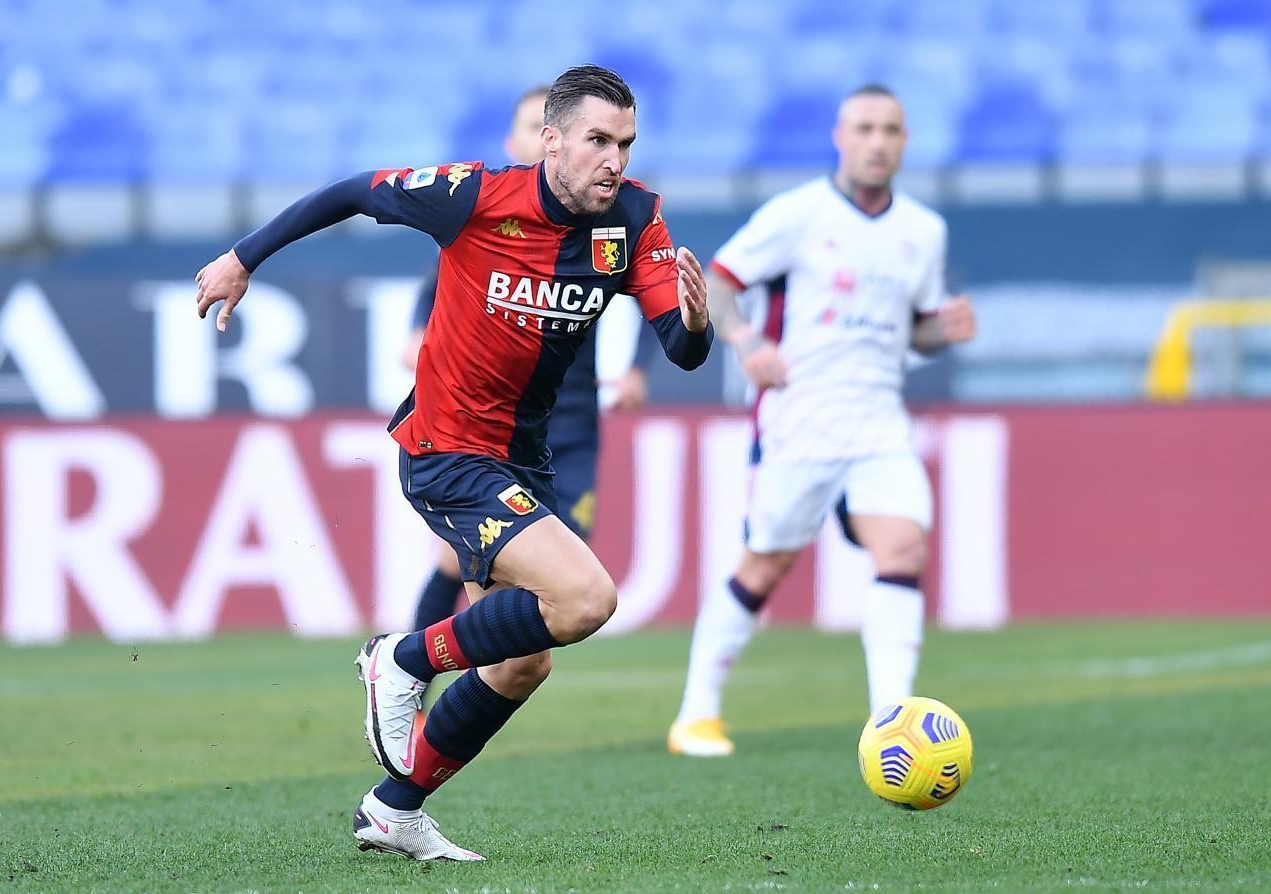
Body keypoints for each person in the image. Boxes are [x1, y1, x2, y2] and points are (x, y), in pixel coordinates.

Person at [195, 65, 712, 860]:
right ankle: (399, 658)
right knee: (587, 599)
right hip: (447, 449)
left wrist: (697, 323)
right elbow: (352, 191)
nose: (615, 160)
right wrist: (244, 257)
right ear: (552, 141)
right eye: (598, 141)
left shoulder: (636, 217)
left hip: (522, 460)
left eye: (626, 143)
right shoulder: (475, 197)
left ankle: (396, 809)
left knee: (521, 665)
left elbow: (677, 349)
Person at [667, 84, 976, 758]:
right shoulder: (799, 214)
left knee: (904, 548)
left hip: (879, 419)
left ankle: (891, 724)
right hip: (801, 417)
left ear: (905, 142)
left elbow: (914, 332)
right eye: (864, 128)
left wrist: (940, 330)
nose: (877, 142)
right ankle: (696, 713)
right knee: (765, 567)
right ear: (841, 137)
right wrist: (748, 345)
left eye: (891, 130)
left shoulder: (923, 231)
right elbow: (718, 282)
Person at [404, 86, 653, 643]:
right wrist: (418, 338)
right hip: (484, 433)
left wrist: (639, 366)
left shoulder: (607, 221)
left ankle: (425, 674)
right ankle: (408, 671)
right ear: (535, 139)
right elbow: (435, 296)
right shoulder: (480, 220)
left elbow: (654, 296)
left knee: (558, 585)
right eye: (523, 125)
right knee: (464, 565)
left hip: (570, 423)